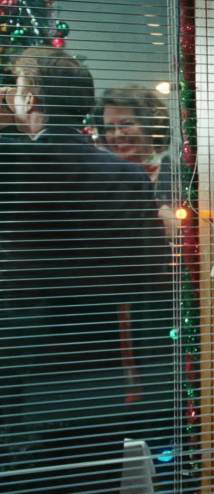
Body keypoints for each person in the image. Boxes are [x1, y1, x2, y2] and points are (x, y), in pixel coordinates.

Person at [0, 47, 174, 492]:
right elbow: (150, 273)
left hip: (22, 358)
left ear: (30, 100)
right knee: (92, 477)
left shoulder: (12, 165)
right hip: (98, 357)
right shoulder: (126, 176)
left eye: (16, 89)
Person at [100, 84, 177, 240]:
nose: (117, 134)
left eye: (126, 124)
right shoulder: (101, 181)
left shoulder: (181, 178)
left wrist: (178, 229)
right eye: (110, 128)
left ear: (151, 126)